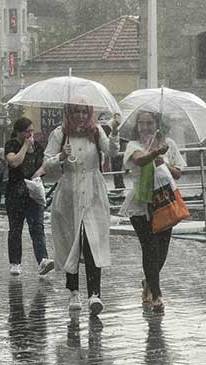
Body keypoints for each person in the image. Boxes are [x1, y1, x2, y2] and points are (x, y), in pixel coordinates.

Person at [43, 103, 120, 316]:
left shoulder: (96, 133)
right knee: (71, 240)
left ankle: (95, 293)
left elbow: (112, 151)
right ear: (69, 113)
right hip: (69, 190)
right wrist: (60, 157)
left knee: (93, 240)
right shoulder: (59, 134)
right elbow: (46, 163)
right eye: (75, 111)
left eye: (84, 111)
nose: (80, 115)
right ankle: (74, 291)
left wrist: (114, 131)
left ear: (89, 113)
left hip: (93, 189)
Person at [120, 111, 186, 312]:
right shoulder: (134, 145)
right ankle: (157, 294)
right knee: (150, 247)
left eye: (149, 123)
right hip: (141, 203)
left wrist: (163, 161)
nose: (145, 127)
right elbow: (139, 160)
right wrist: (155, 153)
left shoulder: (170, 145)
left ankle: (149, 281)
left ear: (157, 124)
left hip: (164, 200)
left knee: (162, 248)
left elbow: (178, 172)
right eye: (141, 123)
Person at [5, 117, 55, 276]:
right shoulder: (12, 145)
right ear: (19, 132)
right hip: (15, 192)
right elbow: (14, 162)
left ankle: (42, 260)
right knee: (15, 228)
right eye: (27, 131)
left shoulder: (38, 147)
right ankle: (15, 263)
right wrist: (25, 146)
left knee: (37, 227)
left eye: (32, 131)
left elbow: (44, 166)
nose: (30, 134)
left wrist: (37, 174)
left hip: (33, 193)